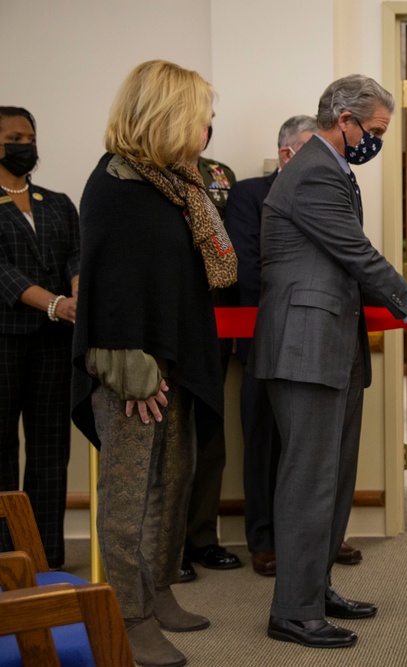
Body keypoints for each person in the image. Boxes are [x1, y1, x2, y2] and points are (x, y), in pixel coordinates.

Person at [252, 74, 407, 649]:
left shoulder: (332, 169)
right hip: (304, 346)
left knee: (335, 479)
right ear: (344, 121)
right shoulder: (315, 170)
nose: (377, 141)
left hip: (329, 344)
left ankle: (313, 589)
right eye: (376, 130)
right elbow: (356, 254)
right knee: (309, 480)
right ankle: (292, 611)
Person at [71, 59, 236, 667]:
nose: (208, 127)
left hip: (178, 357)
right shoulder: (116, 184)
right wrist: (129, 366)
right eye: (202, 116)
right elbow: (110, 284)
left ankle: (159, 587)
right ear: (169, 115)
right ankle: (128, 614)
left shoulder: (174, 183)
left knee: (174, 478)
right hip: (134, 369)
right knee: (128, 494)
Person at [226, 114, 365, 577]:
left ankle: (317, 543)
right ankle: (264, 540)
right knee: (266, 445)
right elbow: (247, 269)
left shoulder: (337, 186)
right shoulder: (249, 194)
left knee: (316, 455)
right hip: (268, 338)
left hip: (325, 339)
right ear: (287, 153)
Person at [0, 106, 79, 570]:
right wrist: (51, 302)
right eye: (14, 137)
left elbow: (76, 253)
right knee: (3, 451)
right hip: (4, 341)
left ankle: (46, 558)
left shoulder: (58, 201)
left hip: (54, 344)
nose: (25, 145)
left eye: (29, 136)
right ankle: (9, 561)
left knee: (51, 449)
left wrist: (75, 288)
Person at [178, 143, 243, 582]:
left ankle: (203, 538)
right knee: (170, 443)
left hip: (215, 325)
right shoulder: (148, 171)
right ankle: (169, 546)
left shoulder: (220, 173)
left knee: (209, 437)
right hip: (171, 324)